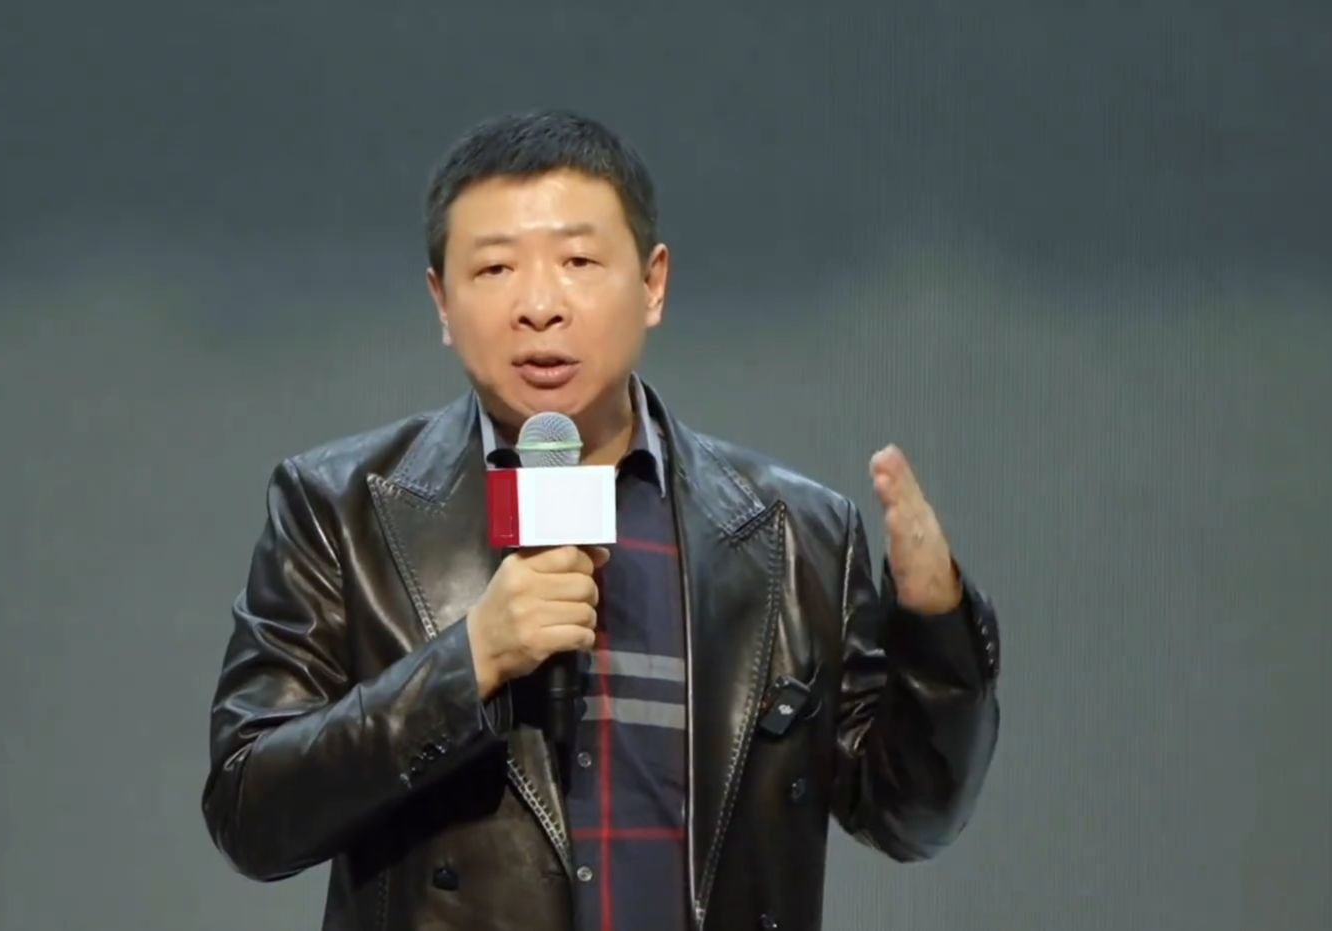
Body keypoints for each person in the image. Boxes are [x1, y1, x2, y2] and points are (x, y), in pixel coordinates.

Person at [201, 109, 1002, 931]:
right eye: (495, 268)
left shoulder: (798, 534)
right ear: (441, 301)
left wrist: (936, 624)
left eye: (579, 261)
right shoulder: (339, 507)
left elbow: (912, 813)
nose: (539, 306)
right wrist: (467, 663)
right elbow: (249, 808)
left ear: (653, 284)